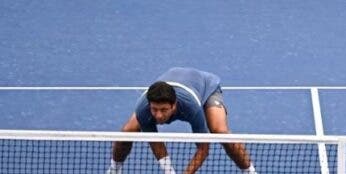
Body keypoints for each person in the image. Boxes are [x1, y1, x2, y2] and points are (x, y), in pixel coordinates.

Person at [107, 67, 257, 174]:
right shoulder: (143, 108)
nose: (158, 116)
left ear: (174, 106)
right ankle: (114, 169)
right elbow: (155, 141)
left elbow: (203, 148)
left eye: (164, 110)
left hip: (206, 87)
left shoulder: (191, 107)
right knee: (127, 131)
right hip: (178, 81)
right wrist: (169, 171)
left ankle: (250, 171)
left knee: (221, 132)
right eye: (155, 109)